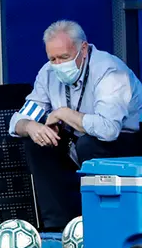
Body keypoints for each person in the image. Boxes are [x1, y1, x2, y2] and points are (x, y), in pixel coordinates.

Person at [9, 20, 142, 231]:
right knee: (38, 142)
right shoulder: (48, 72)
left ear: (83, 49)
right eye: (53, 58)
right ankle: (59, 228)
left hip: (127, 142)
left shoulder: (110, 71)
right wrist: (31, 127)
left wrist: (63, 114)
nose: (59, 64)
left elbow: (108, 129)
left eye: (64, 57)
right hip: (79, 139)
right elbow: (18, 120)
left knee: (89, 144)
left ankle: (102, 224)